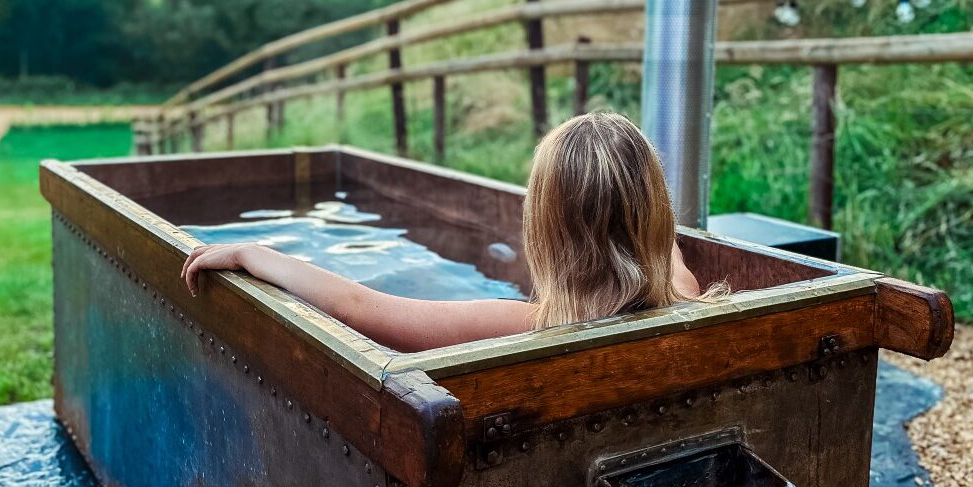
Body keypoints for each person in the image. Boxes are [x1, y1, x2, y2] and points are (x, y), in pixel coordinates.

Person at [182, 112, 719, 352]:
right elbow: (661, 248)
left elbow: (360, 309)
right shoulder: (689, 301)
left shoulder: (529, 327)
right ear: (653, 214)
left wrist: (255, 254)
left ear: (545, 227)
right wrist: (639, 211)